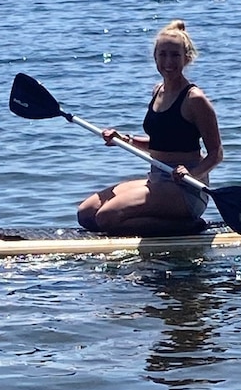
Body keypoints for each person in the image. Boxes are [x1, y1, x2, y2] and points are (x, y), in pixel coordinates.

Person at [76, 20, 223, 235]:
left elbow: (216, 154)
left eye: (175, 55)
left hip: (187, 189)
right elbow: (161, 143)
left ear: (187, 58)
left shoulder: (195, 99)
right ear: (155, 57)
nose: (168, 61)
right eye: (162, 54)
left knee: (105, 218)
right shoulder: (158, 91)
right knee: (86, 214)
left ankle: (187, 226)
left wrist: (193, 173)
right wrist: (125, 139)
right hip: (157, 179)